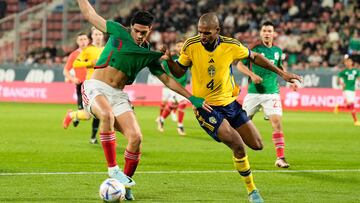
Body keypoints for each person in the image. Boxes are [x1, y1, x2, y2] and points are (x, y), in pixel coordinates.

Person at [76, 0, 211, 200]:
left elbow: (167, 79)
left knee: (136, 138)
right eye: (137, 31)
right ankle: (113, 168)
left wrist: (192, 98)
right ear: (131, 27)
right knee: (106, 115)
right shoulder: (118, 31)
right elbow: (90, 14)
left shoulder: (149, 53)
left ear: (149, 30)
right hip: (96, 87)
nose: (140, 36)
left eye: (144, 32)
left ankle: (125, 184)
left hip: (118, 95)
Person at [162, 13, 301, 203]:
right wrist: (170, 61)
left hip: (229, 104)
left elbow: (256, 57)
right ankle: (252, 191)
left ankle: (232, 141)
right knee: (238, 144)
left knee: (257, 144)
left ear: (217, 31)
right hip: (206, 107)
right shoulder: (191, 44)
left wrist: (282, 73)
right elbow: (179, 70)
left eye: (207, 33)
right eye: (200, 32)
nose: (202, 36)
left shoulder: (231, 45)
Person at [239, 21, 296, 168]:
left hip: (272, 93)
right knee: (242, 125)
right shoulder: (254, 48)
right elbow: (239, 65)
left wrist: (289, 80)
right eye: (264, 30)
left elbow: (279, 67)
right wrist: (252, 75)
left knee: (277, 125)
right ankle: (239, 155)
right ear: (260, 33)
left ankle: (280, 158)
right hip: (253, 93)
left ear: (274, 33)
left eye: (269, 31)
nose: (267, 33)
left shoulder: (278, 51)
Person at [63, 27, 105, 144]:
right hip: (89, 85)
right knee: (89, 115)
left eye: (100, 34)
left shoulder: (106, 49)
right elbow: (76, 63)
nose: (98, 36)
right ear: (92, 36)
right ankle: (72, 115)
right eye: (95, 34)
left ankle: (96, 137)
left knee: (101, 114)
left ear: (103, 36)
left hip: (103, 85)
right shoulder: (88, 50)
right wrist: (90, 63)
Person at [157, 40, 189, 135]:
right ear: (175, 48)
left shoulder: (187, 58)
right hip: (173, 86)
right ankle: (180, 126)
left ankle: (161, 119)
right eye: (178, 46)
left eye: (181, 46)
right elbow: (162, 66)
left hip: (182, 86)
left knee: (172, 106)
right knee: (182, 104)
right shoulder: (172, 58)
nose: (180, 47)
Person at [63, 32, 89, 126]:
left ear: (88, 40)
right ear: (77, 42)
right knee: (84, 113)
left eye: (85, 39)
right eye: (81, 40)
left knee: (95, 112)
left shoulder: (92, 52)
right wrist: (72, 79)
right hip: (81, 85)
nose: (83, 42)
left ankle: (93, 137)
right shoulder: (74, 55)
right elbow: (65, 70)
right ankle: (73, 115)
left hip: (92, 84)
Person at [334, 54, 360, 126]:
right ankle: (356, 121)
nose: (348, 63)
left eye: (349, 61)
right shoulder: (344, 71)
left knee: (349, 105)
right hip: (346, 90)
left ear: (352, 62)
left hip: (353, 90)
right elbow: (338, 77)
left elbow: (358, 78)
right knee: (352, 105)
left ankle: (339, 107)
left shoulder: (356, 71)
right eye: (347, 62)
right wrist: (341, 83)